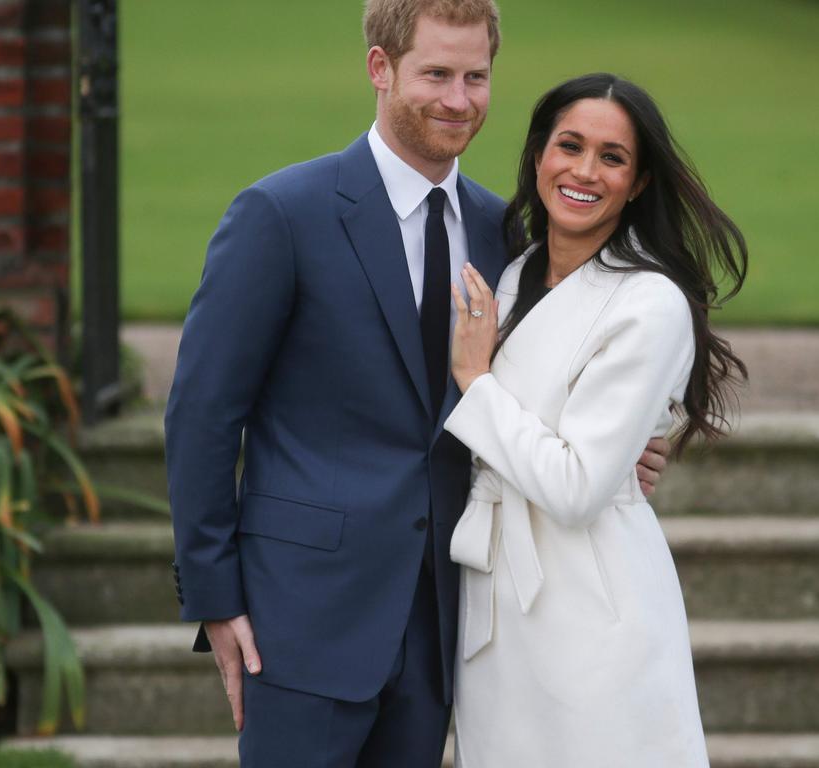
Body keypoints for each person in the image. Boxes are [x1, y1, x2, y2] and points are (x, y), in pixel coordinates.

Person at [164, 3, 670, 765]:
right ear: (380, 69)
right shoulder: (281, 215)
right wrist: (215, 597)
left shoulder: (509, 237)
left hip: (445, 629)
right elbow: (202, 414)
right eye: (435, 74)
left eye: (476, 77)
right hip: (300, 623)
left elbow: (531, 387)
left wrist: (618, 442)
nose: (458, 100)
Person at [443, 73, 748, 767]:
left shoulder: (649, 304)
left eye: (612, 157)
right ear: (539, 155)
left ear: (638, 182)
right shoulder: (511, 275)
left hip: (592, 603)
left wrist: (474, 382)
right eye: (569, 146)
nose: (584, 171)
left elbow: (578, 486)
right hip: (493, 603)